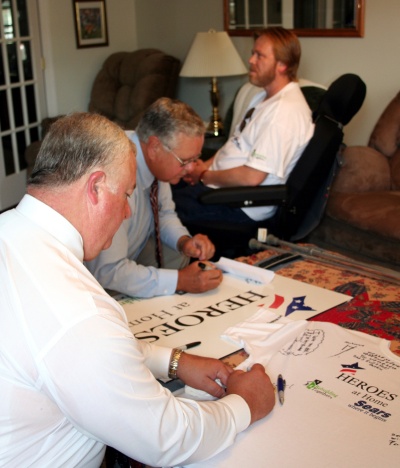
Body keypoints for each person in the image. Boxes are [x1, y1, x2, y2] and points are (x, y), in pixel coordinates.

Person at [0, 112, 275, 467]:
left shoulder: (10, 232)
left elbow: (63, 352)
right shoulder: (78, 309)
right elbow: (166, 439)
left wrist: (173, 361)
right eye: (127, 194)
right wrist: (245, 404)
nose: (129, 212)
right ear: (96, 187)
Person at [173, 26, 315, 225]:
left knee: (163, 211)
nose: (251, 60)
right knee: (160, 186)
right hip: (219, 188)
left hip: (240, 206)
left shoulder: (284, 113)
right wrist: (204, 166)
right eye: (252, 54)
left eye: (259, 56)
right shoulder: (263, 97)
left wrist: (205, 175)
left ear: (282, 65)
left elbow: (252, 177)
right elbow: (236, 143)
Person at [86, 97, 223, 298]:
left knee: (179, 253)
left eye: (195, 159)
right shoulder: (113, 172)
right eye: (185, 161)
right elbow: (107, 271)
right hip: (90, 282)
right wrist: (181, 281)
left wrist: (185, 241)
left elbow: (164, 213)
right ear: (154, 147)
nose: (192, 168)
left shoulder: (157, 162)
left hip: (130, 251)